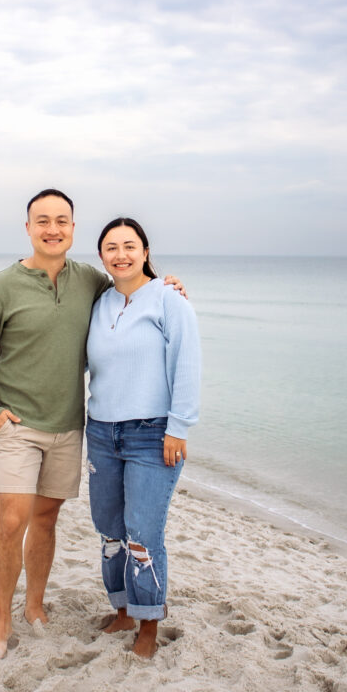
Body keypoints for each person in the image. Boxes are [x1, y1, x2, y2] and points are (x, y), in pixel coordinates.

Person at [0, 190, 185, 659]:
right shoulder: (0, 286)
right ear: (28, 228)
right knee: (11, 521)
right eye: (42, 220)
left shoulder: (89, 281)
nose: (52, 228)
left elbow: (132, 290)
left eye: (62, 220)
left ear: (74, 229)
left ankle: (35, 607)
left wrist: (167, 286)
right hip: (17, 426)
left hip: (71, 426)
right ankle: (1, 622)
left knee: (45, 519)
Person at [86, 217, 200, 659]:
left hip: (152, 434)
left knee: (142, 535)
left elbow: (186, 364)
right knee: (110, 531)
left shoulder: (170, 299)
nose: (121, 254)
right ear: (101, 257)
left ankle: (149, 623)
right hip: (101, 431)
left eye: (130, 245)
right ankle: (123, 610)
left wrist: (179, 427)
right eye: (111, 248)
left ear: (146, 251)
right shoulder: (100, 302)